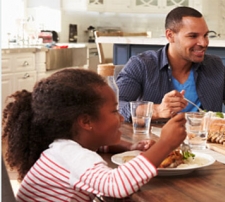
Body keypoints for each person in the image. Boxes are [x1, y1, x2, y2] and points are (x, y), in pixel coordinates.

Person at [2, 68, 187, 201]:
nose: (122, 117)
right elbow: (117, 185)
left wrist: (128, 146)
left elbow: (97, 144)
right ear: (86, 122)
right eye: (114, 111)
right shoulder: (72, 155)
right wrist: (165, 144)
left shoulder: (63, 146)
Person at [116, 6, 225, 124]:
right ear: (170, 35)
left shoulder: (215, 66)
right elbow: (116, 106)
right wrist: (156, 110)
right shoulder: (141, 65)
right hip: (156, 146)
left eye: (206, 35)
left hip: (206, 145)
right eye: (193, 36)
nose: (204, 43)